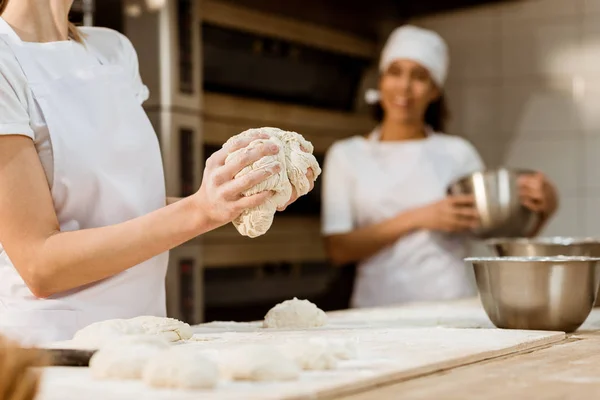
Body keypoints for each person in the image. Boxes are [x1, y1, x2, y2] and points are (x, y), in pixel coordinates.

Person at [0, 0, 315, 345]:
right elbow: (39, 265)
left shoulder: (112, 50)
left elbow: (123, 207)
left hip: (144, 339)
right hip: (52, 354)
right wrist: (200, 211)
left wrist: (235, 195)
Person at [321, 25, 558, 308]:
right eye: (396, 72)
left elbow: (501, 243)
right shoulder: (346, 155)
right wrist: (420, 217)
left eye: (419, 76)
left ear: (434, 91)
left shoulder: (457, 153)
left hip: (453, 306)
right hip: (374, 311)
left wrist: (542, 211)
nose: (405, 87)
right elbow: (338, 249)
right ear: (382, 80)